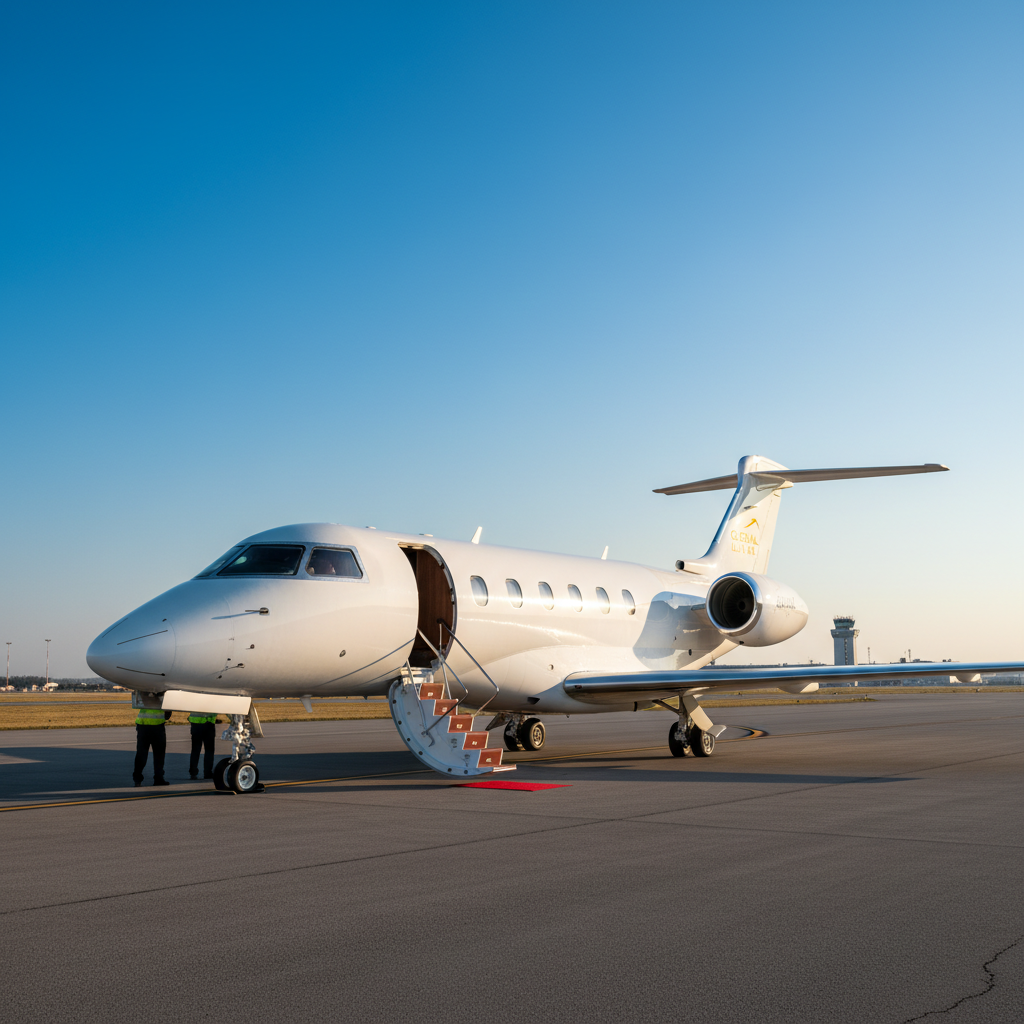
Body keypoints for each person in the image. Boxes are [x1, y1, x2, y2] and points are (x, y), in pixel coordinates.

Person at [133, 704, 171, 786]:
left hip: (142, 724)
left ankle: (137, 779)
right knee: (159, 755)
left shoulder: (144, 692)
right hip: (157, 726)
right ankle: (158, 778)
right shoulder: (162, 695)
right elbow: (167, 715)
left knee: (141, 753)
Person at [188, 710, 218, 780]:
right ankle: (207, 773)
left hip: (196, 723)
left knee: (196, 749)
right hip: (208, 723)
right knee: (209, 750)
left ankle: (193, 772)